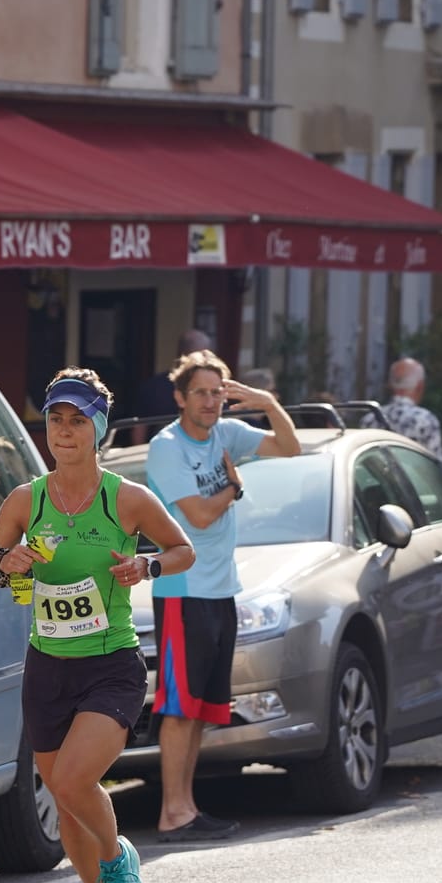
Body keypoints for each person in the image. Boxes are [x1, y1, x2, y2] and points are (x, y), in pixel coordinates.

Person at [0, 370, 198, 883]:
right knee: (67, 801)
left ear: (97, 429)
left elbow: (183, 551)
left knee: (72, 781)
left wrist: (145, 567)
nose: (63, 433)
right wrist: (6, 560)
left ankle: (119, 862)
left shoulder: (125, 498)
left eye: (76, 421)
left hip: (111, 665)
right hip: (47, 668)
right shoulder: (27, 500)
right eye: (55, 421)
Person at [144, 351, 302, 844]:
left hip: (220, 591)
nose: (211, 402)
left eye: (218, 392)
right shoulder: (166, 448)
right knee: (178, 705)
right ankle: (172, 812)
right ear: (180, 398)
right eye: (201, 393)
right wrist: (234, 486)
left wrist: (266, 401)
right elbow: (199, 516)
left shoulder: (225, 434)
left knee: (201, 708)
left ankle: (186, 808)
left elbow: (289, 447)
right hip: (182, 591)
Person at [361, 356, 442, 458]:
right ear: (420, 386)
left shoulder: (370, 419)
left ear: (390, 384)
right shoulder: (426, 420)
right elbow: (436, 468)